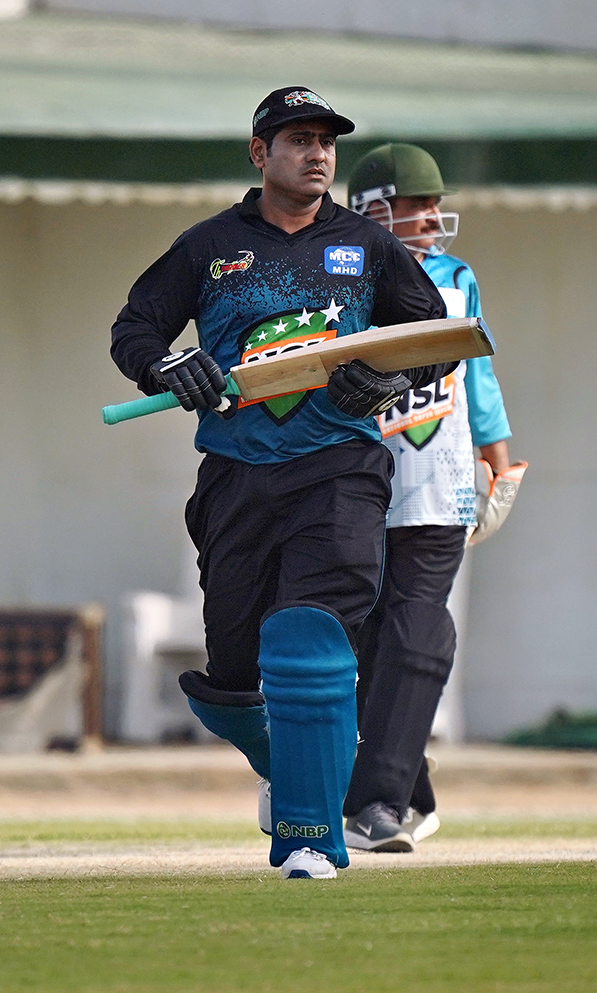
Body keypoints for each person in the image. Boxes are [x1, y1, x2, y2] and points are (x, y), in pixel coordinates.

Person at [110, 88, 451, 878]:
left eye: (326, 142)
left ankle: (309, 838)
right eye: (299, 140)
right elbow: (135, 328)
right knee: (230, 679)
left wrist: (389, 379)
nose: (318, 154)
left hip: (340, 469)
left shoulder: (366, 244)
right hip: (236, 477)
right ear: (261, 153)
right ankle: (294, 766)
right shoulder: (209, 246)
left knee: (311, 639)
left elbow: (434, 337)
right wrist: (166, 364)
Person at [340, 143, 525, 851]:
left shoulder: (455, 277)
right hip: (359, 482)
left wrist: (497, 463)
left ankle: (376, 804)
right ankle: (410, 786)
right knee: (368, 638)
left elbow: (478, 375)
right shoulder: (339, 274)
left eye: (433, 204)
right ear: (373, 209)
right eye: (415, 204)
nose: (429, 216)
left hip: (440, 479)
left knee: (418, 628)